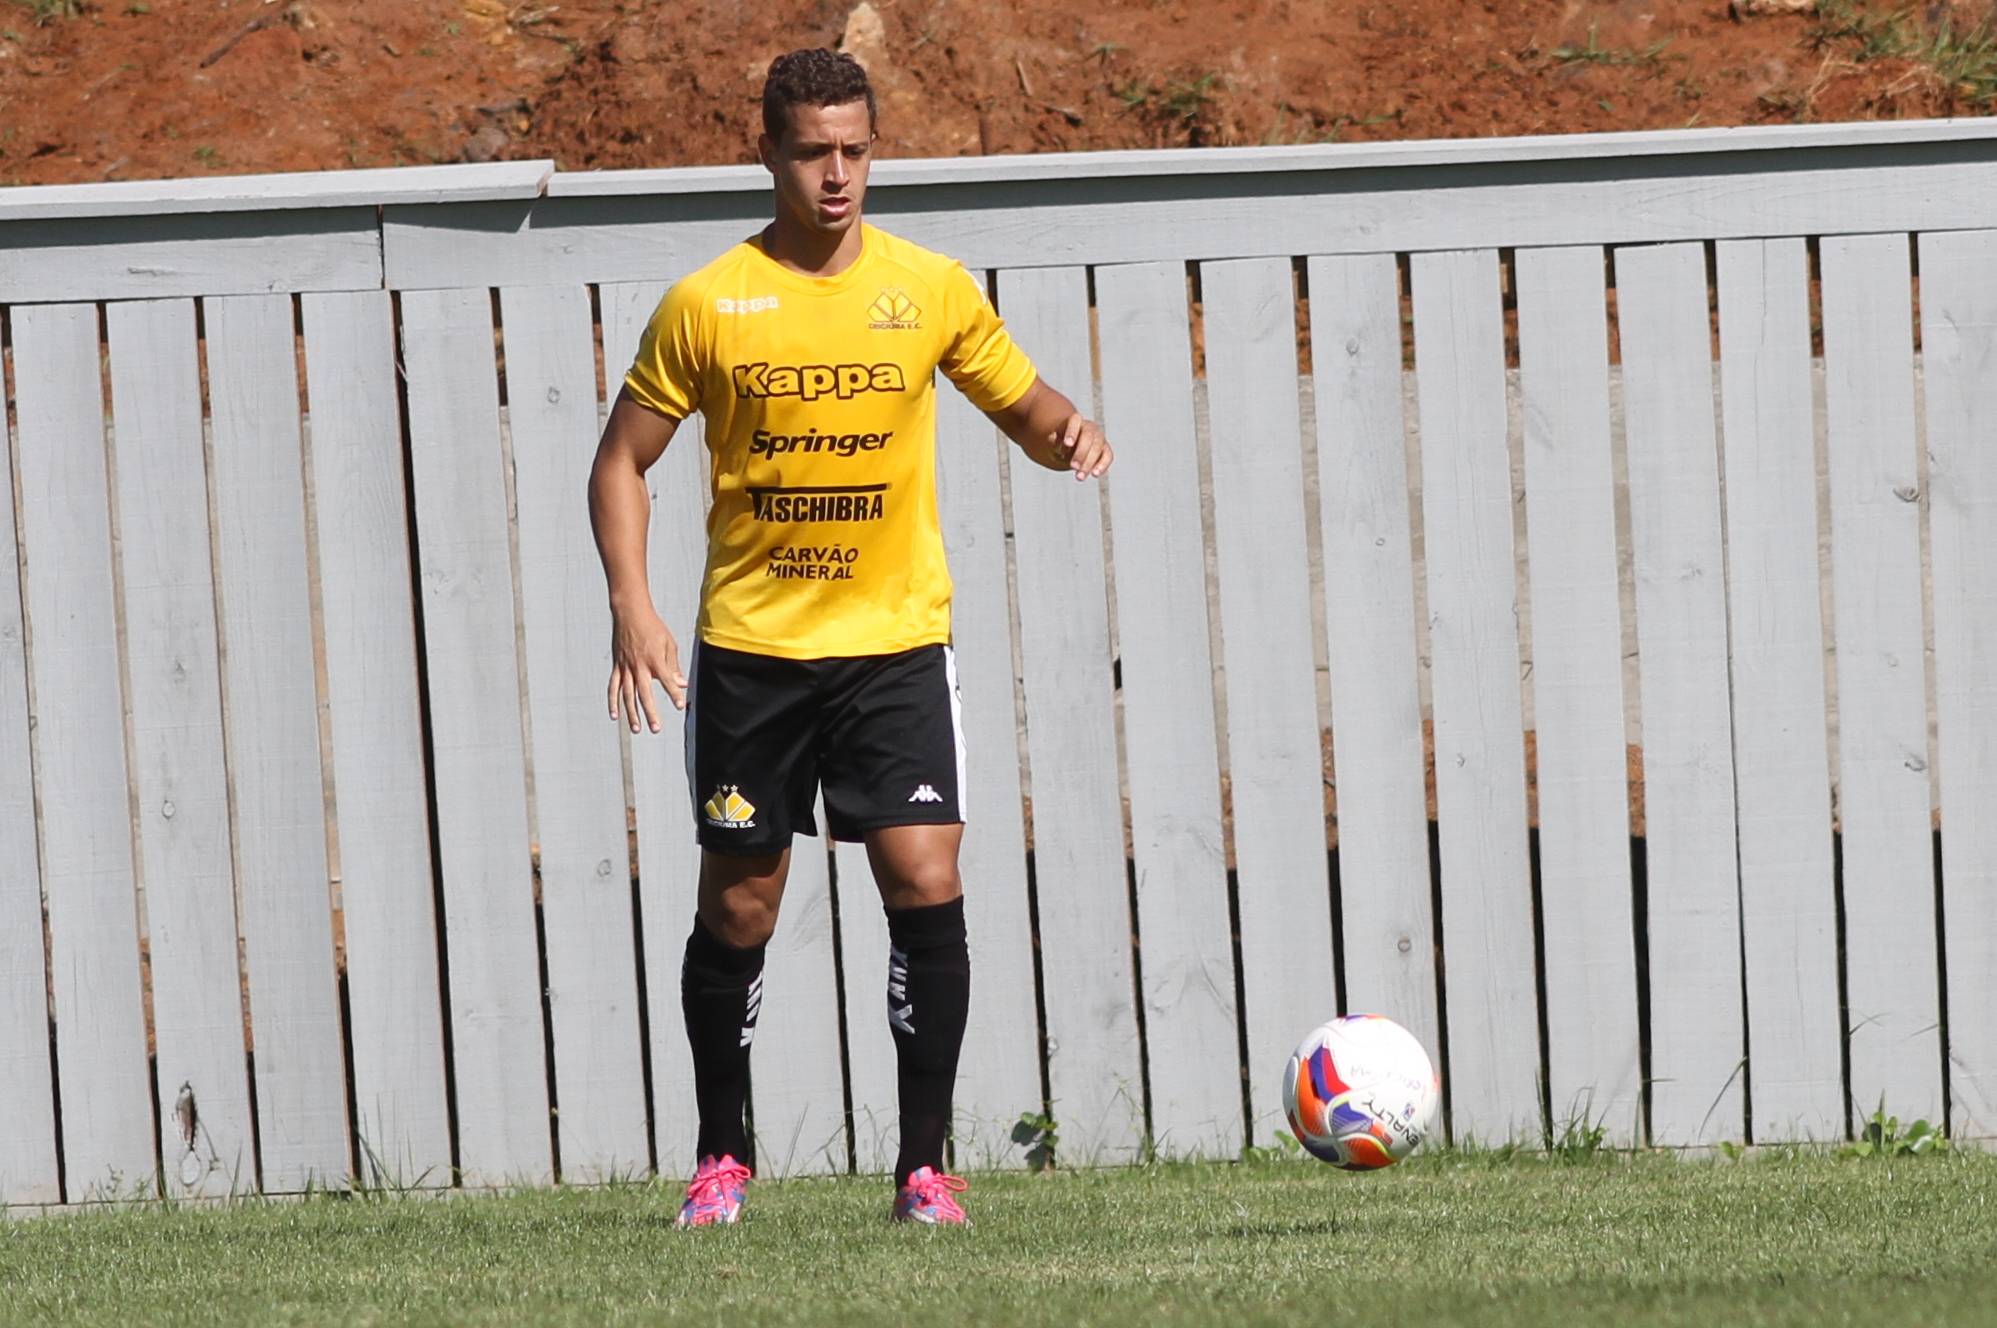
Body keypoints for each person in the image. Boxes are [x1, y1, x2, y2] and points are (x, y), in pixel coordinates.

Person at [587, 47, 1113, 1227]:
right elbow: (619, 459)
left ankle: (922, 1171)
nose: (836, 175)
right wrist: (632, 602)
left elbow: (1023, 403)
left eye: (854, 151)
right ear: (767, 154)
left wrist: (1066, 430)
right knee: (741, 908)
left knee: (926, 876)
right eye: (812, 152)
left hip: (893, 646)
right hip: (754, 654)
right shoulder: (708, 302)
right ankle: (721, 1158)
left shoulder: (926, 287)